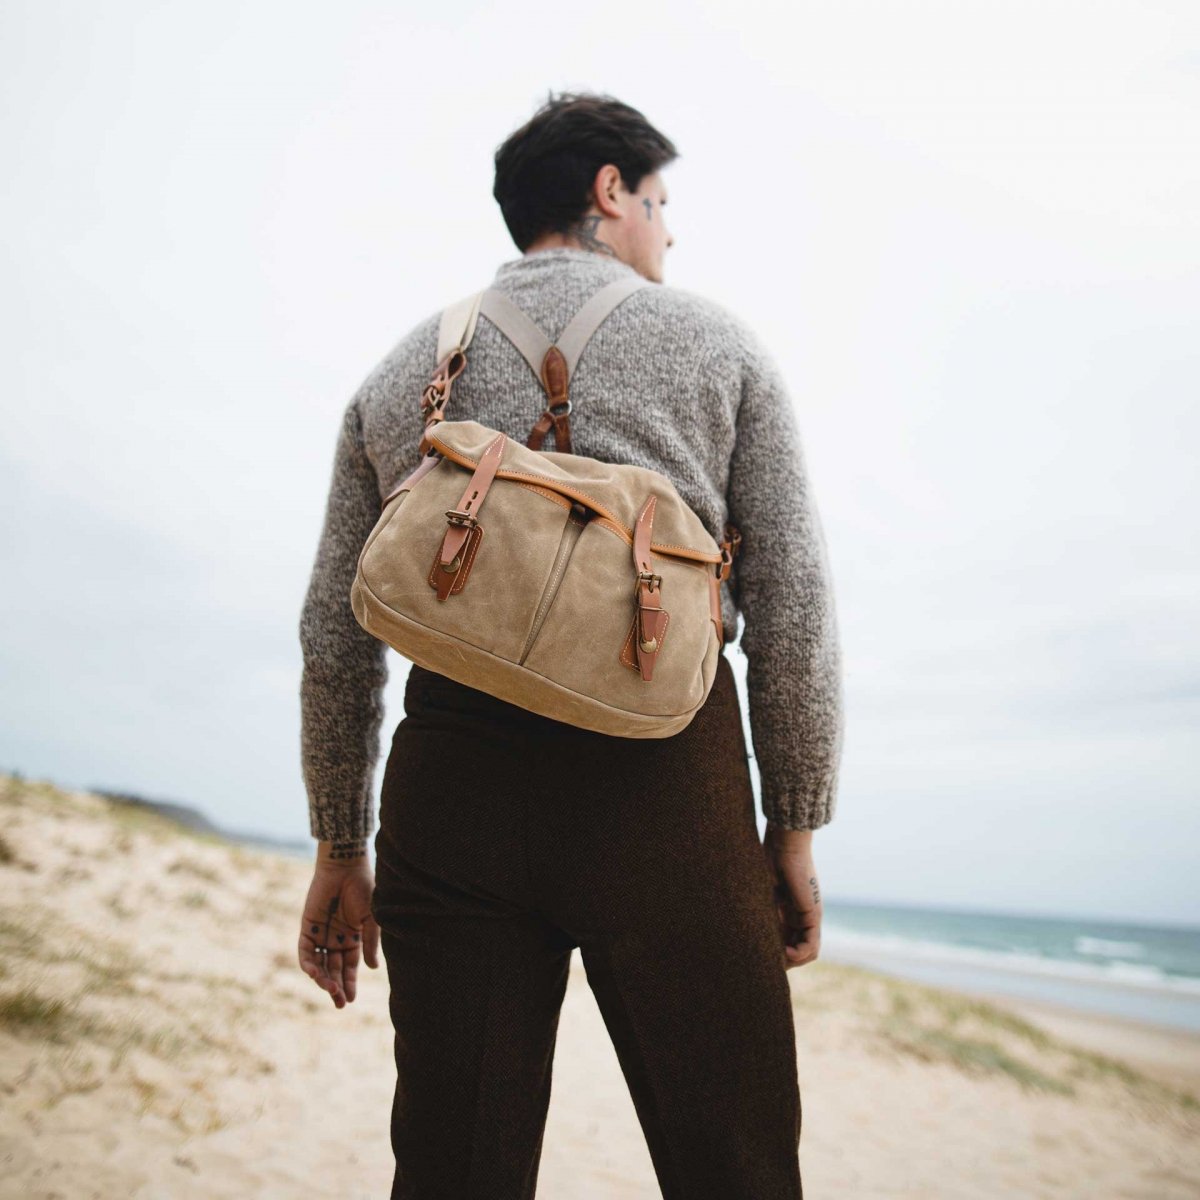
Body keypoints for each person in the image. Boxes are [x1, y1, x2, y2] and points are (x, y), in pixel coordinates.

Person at [296, 90, 844, 1199]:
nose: (669, 230)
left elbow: (334, 633)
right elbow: (793, 605)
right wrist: (794, 824)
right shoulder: (716, 342)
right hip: (665, 783)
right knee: (734, 1158)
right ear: (608, 194)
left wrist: (339, 845)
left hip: (452, 792)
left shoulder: (401, 370)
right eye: (659, 201)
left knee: (454, 1165)